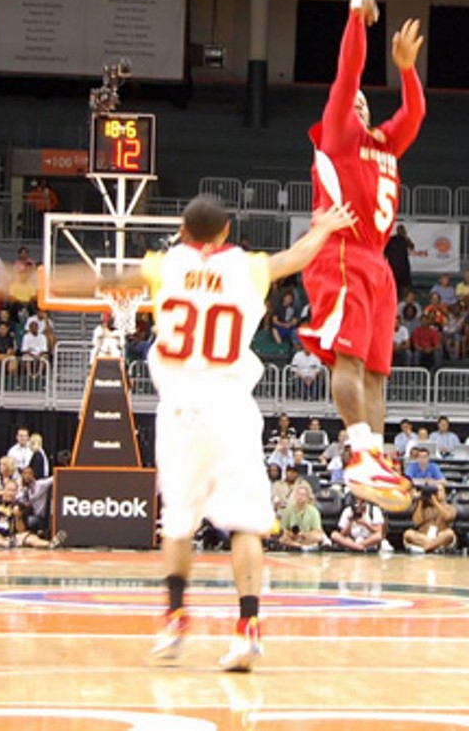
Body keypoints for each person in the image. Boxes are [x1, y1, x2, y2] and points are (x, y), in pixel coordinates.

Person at [89, 195, 357, 673]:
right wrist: (324, 226)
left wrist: (30, 283)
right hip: (232, 407)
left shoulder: (165, 265)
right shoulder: (246, 268)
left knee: (178, 522)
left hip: (181, 408)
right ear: (227, 229)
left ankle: (174, 619)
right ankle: (247, 628)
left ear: (183, 230)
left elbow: (108, 280)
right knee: (245, 524)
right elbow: (296, 257)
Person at [297, 0, 425, 514]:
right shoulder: (338, 133)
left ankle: (373, 456)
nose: (359, 103)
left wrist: (407, 70)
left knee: (376, 372)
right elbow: (348, 73)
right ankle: (357, 449)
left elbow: (414, 111)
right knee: (348, 359)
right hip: (342, 251)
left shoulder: (384, 144)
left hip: (377, 262)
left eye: (365, 101)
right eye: (354, 99)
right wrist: (356, 19)